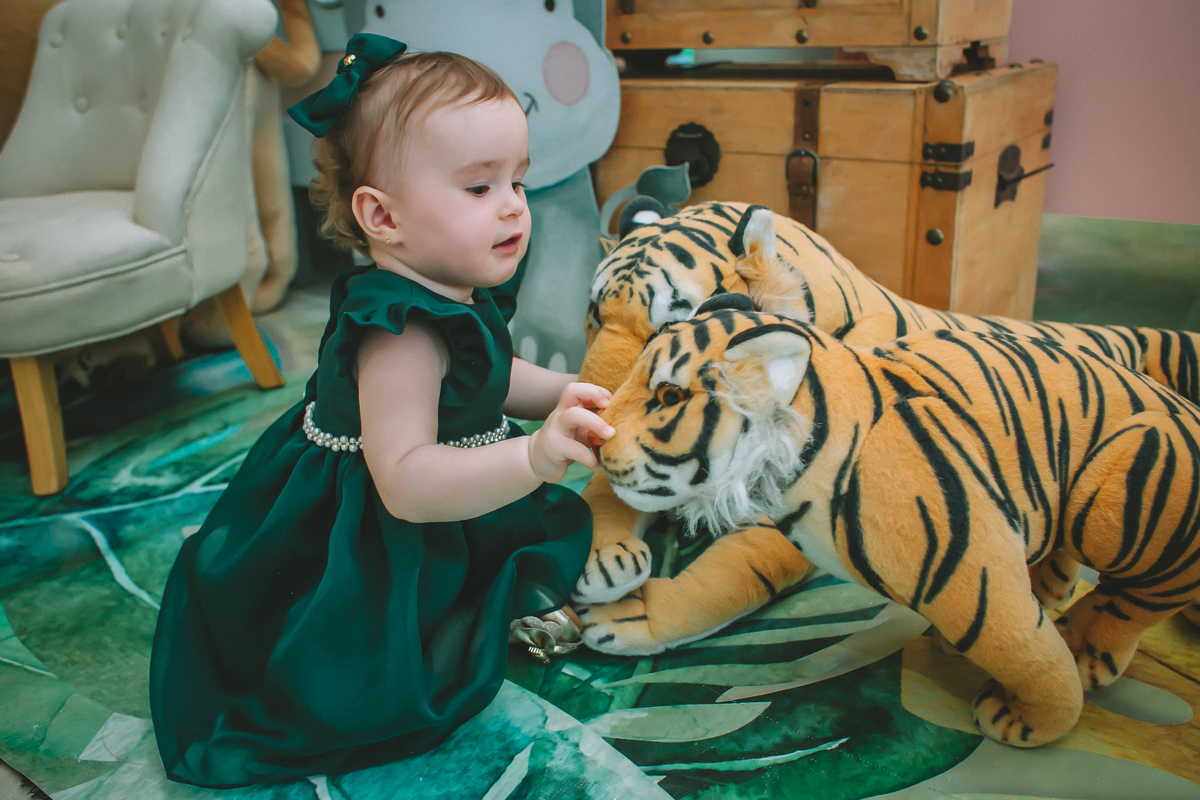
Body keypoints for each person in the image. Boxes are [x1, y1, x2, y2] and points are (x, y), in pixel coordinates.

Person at [148, 34, 613, 789]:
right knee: (388, 669)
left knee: (524, 550)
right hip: (372, 531)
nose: (512, 210)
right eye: (477, 188)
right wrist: (533, 457)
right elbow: (406, 482)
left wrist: (567, 395)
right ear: (382, 217)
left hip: (437, 499)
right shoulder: (400, 334)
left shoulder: (450, 287)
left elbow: (487, 378)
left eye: (517, 184)